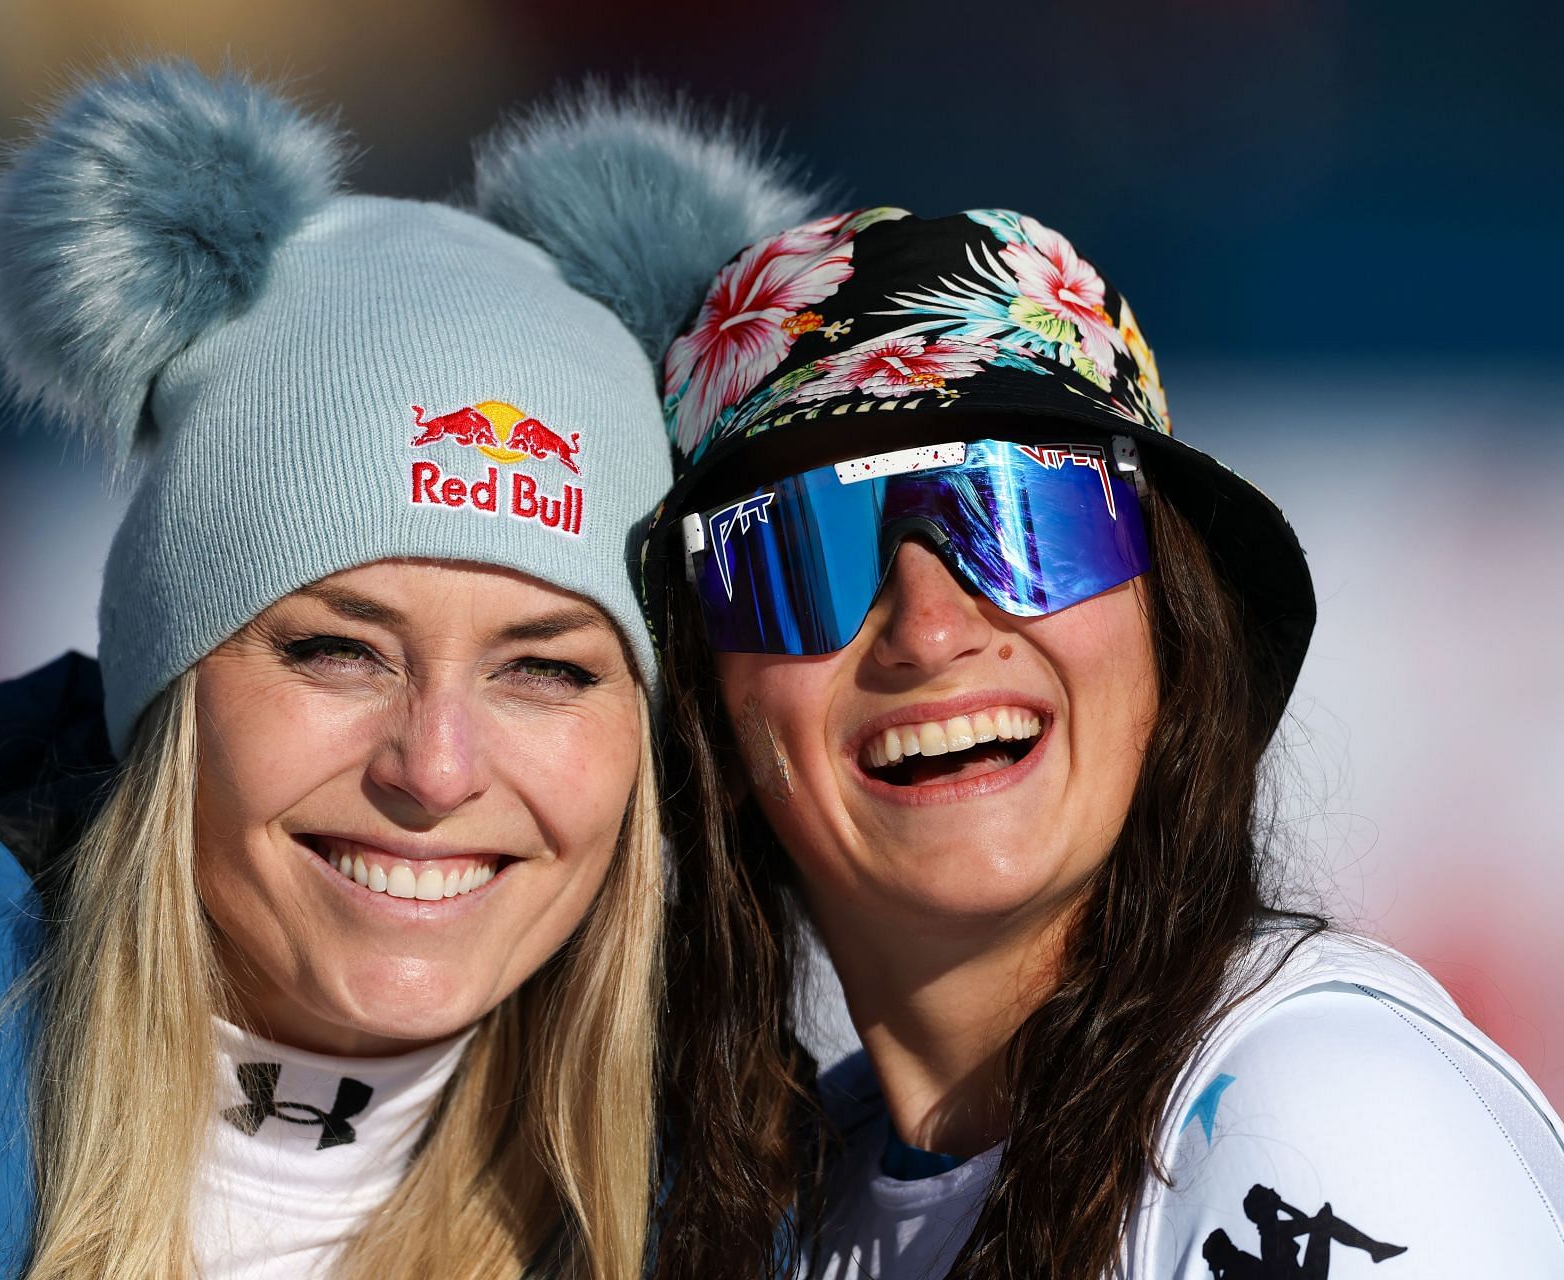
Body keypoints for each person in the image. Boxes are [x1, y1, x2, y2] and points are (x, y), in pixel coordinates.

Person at [470, 106, 1564, 1276]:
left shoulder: (1316, 1115)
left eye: (1024, 510)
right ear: (706, 703)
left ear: (1174, 627)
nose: (930, 631)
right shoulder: (776, 1212)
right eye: (801, 549)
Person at [0, 61, 677, 1279]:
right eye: (337, 650)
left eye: (545, 670)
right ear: (168, 695)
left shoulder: (761, 1193)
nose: (437, 767)